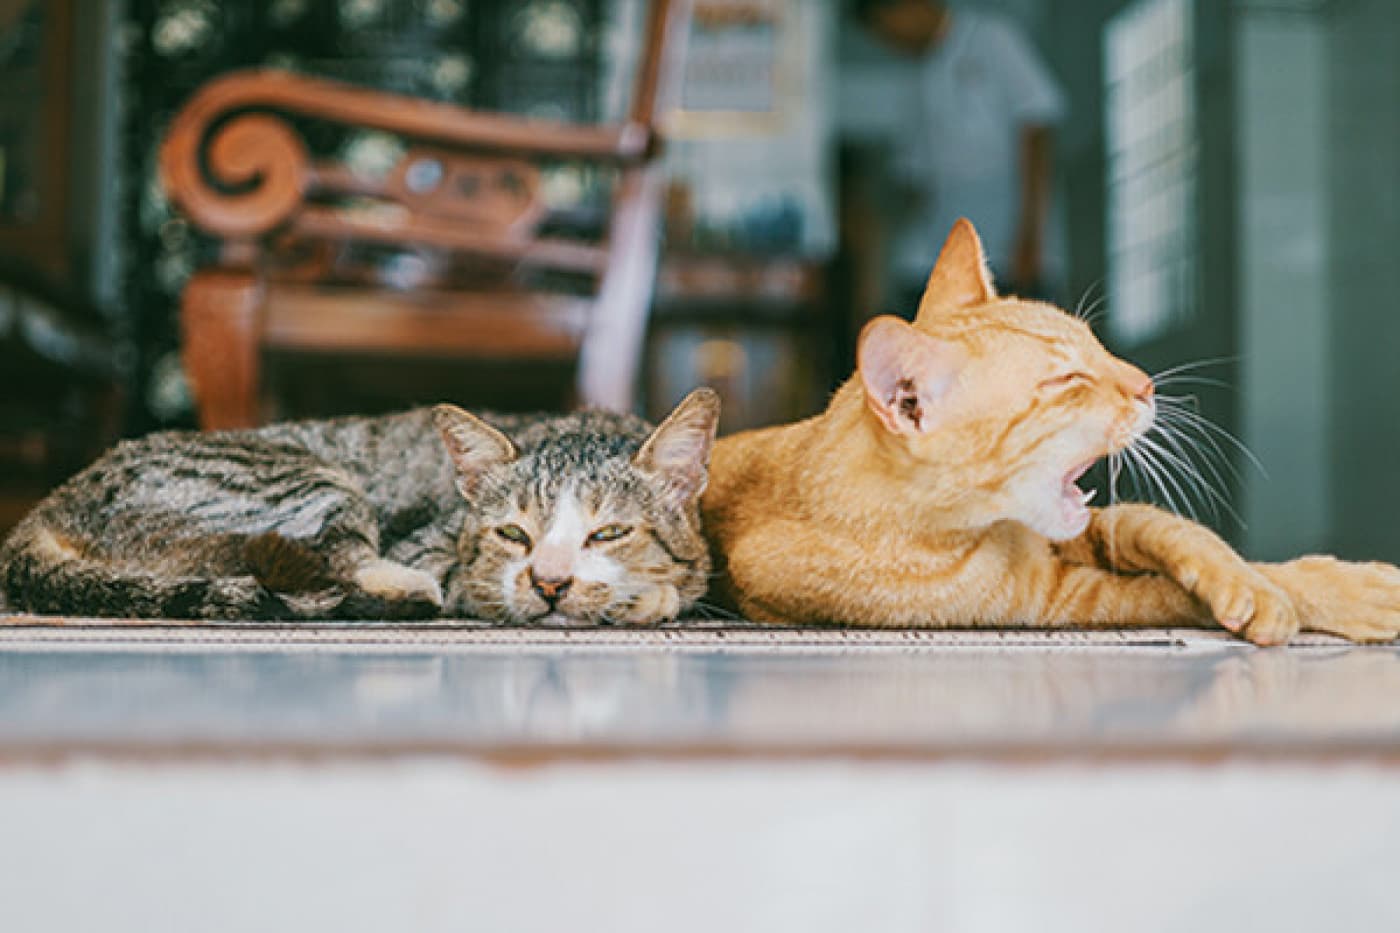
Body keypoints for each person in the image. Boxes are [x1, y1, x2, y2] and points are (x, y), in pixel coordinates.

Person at [855, 0, 1067, 304]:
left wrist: (1031, 236)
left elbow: (1037, 125)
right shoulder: (919, 77)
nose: (893, 43)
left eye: (889, 31)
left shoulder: (992, 39)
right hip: (941, 256)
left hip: (1011, 249)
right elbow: (915, 177)